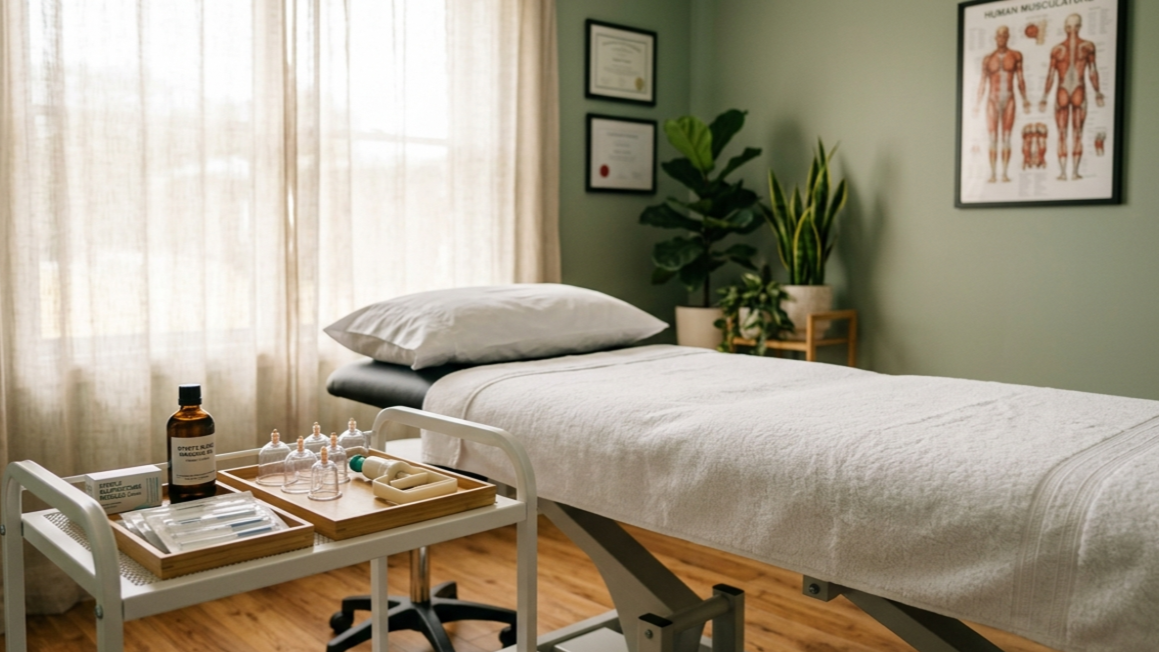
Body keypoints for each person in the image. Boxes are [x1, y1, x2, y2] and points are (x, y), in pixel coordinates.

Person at [1039, 13, 1105, 180]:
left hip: (1074, 90)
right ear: (1065, 28)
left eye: (1075, 26)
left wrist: (1098, 92)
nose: (1072, 30)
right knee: (1064, 132)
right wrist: (1044, 96)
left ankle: (1073, 171)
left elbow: (1093, 71)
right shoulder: (1059, 49)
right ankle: (1065, 172)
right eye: (1069, 27)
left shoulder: (1086, 47)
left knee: (1076, 133)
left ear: (1080, 26)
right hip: (1069, 90)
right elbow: (1050, 75)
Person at [974, 26, 1031, 183]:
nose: (1001, 38)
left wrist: (1025, 98)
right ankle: (993, 174)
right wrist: (977, 104)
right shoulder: (988, 59)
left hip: (1009, 99)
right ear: (995, 38)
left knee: (1006, 137)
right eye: (999, 36)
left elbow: (1020, 78)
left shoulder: (1015, 55)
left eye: (1004, 36)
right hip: (992, 99)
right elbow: (982, 82)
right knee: (993, 138)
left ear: (1008, 37)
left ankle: (1004, 173)